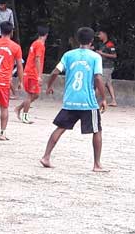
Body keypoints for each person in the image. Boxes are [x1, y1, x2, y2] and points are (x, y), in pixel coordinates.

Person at [41, 27, 109, 172]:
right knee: (97, 131)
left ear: (77, 40)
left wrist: (49, 86)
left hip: (70, 100)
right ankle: (97, 164)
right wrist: (103, 97)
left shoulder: (68, 55)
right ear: (91, 41)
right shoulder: (95, 57)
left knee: (60, 128)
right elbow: (97, 77)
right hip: (88, 102)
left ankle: (46, 157)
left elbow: (55, 71)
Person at [15, 26, 49, 124]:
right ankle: (25, 116)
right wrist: (38, 75)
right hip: (32, 73)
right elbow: (37, 59)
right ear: (46, 35)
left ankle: (19, 108)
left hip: (31, 72)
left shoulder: (35, 43)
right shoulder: (39, 45)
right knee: (31, 95)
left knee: (35, 94)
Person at [95, 30, 118, 107]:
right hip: (103, 66)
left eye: (100, 34)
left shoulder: (110, 44)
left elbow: (114, 56)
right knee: (108, 84)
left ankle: (94, 101)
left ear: (105, 34)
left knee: (100, 84)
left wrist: (102, 53)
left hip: (107, 67)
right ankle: (113, 101)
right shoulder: (101, 44)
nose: (98, 36)